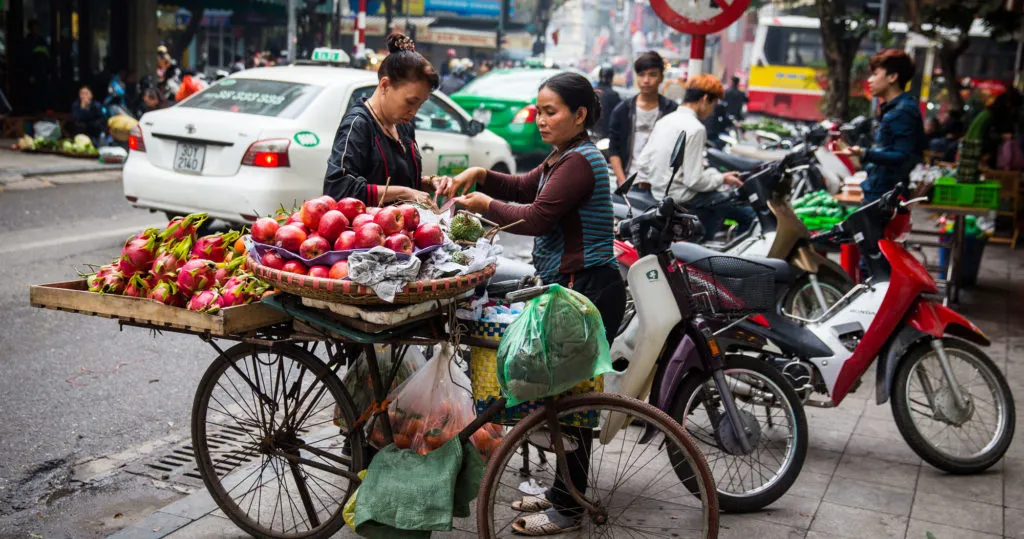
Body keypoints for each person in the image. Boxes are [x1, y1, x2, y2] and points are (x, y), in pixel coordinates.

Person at [438, 72, 625, 535]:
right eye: (538, 110)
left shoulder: (581, 162)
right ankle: (564, 491)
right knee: (563, 395)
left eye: (550, 111)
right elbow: (524, 187)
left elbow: (538, 218)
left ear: (579, 115)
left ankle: (568, 507)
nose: (540, 120)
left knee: (574, 401)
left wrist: (482, 205)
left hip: (586, 289)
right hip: (571, 285)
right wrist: (481, 175)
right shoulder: (564, 155)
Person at [323, 32, 440, 206]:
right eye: (410, 102)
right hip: (365, 230)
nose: (413, 112)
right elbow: (337, 188)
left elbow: (398, 178)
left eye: (420, 105)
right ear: (385, 85)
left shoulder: (403, 126)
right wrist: (404, 193)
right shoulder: (358, 124)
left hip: (399, 229)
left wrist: (428, 183)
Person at [637, 74, 755, 242]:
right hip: (682, 198)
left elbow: (643, 163)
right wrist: (721, 179)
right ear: (705, 99)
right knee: (747, 215)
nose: (713, 109)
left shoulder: (665, 121)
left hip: (659, 195)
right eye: (713, 104)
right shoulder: (696, 128)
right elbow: (693, 181)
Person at [837, 49, 926, 203]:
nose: (870, 80)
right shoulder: (894, 109)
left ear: (892, 77)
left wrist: (864, 153)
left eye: (875, 74)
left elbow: (903, 156)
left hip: (886, 196)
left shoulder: (902, 111)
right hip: (880, 192)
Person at [607, 51, 678, 186]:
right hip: (630, 181)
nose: (646, 80)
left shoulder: (671, 110)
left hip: (662, 184)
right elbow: (613, 149)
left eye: (652, 74)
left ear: (661, 77)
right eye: (641, 74)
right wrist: (622, 180)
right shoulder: (622, 110)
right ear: (636, 77)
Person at [963, 89, 1023, 168]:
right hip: (978, 153)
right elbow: (990, 137)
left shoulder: (987, 113)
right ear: (1009, 104)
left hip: (971, 152)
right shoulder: (994, 116)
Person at [592, 65, 621, 139]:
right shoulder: (613, 95)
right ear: (611, 78)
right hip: (607, 135)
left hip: (592, 133)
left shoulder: (591, 92)